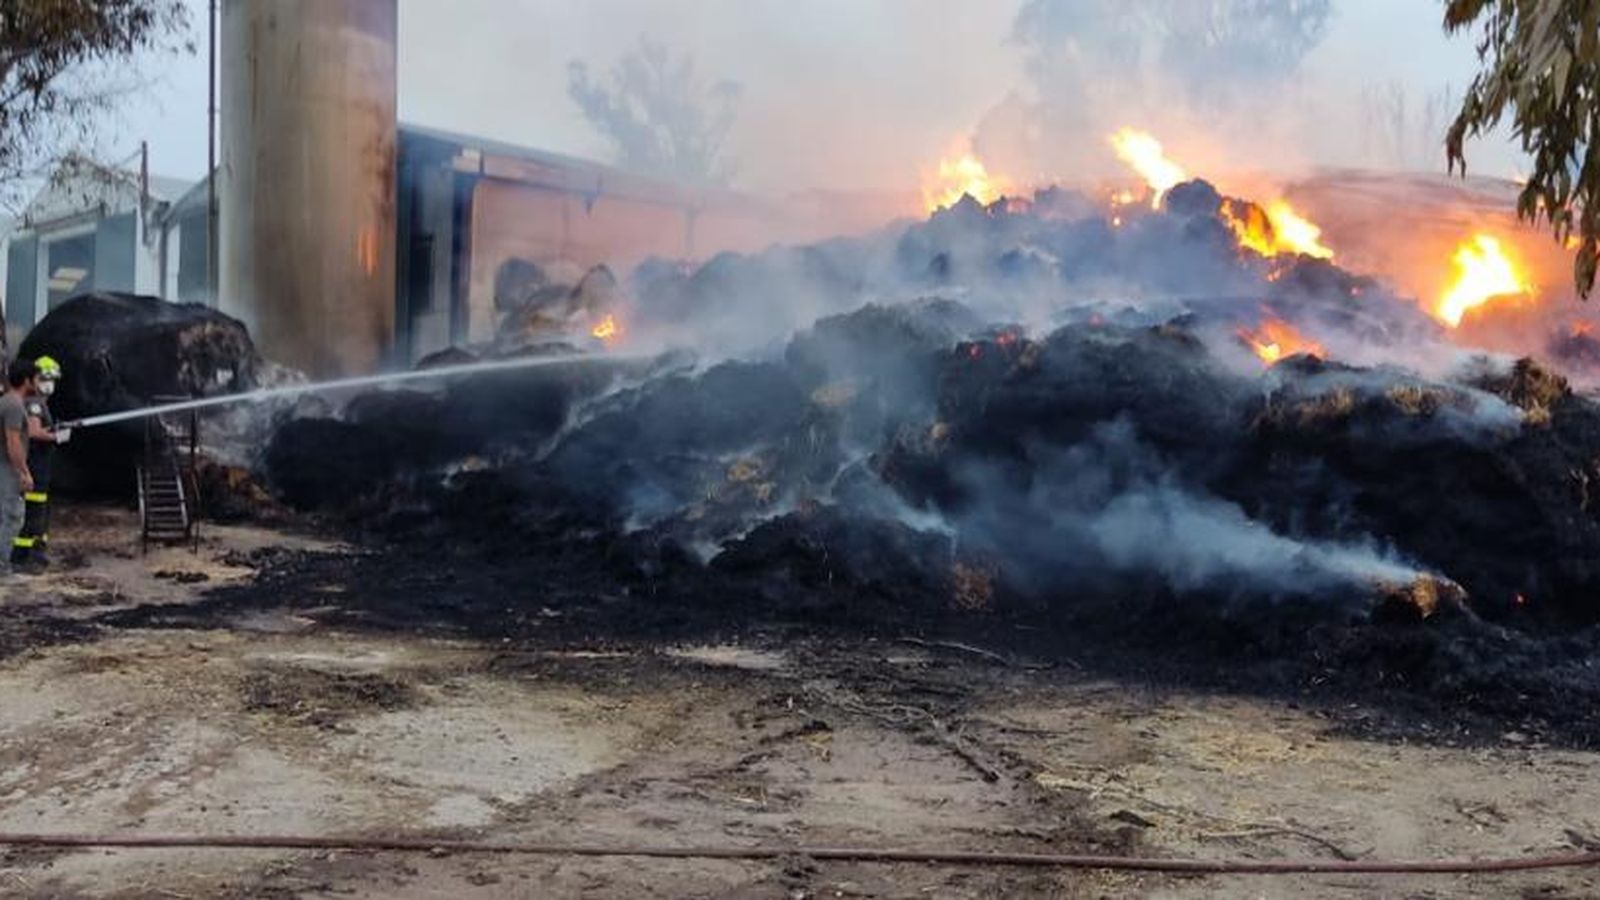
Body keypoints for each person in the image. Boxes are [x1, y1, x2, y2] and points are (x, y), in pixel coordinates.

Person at [12, 356, 69, 570]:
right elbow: (35, 433)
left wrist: (55, 430)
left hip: (42, 467)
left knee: (42, 512)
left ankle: (36, 552)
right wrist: (56, 437)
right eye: (45, 378)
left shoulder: (40, 403)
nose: (49, 383)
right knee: (34, 513)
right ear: (34, 379)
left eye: (52, 379)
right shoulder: (34, 404)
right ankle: (21, 557)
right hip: (35, 467)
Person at [0, 360, 36, 579]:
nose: (38, 382)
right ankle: (3, 567)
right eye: (35, 378)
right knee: (12, 517)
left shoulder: (7, 402)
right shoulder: (13, 405)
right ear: (26, 380)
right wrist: (24, 472)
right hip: (7, 468)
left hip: (5, 466)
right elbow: (13, 443)